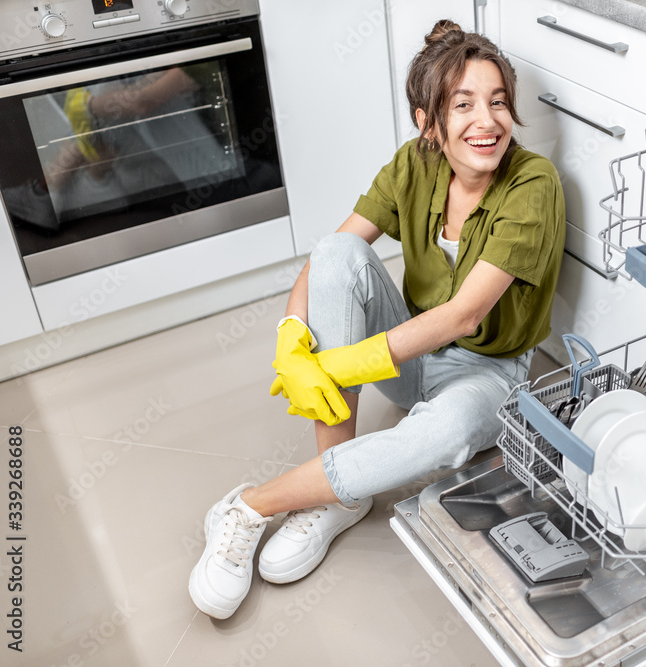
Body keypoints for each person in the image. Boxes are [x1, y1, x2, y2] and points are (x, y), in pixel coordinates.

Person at [188, 20, 566, 619]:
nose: (487, 121)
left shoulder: (533, 184)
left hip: (489, 371)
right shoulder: (413, 164)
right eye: (462, 104)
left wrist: (336, 363)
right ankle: (335, 500)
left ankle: (250, 505)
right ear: (427, 122)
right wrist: (292, 338)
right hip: (409, 354)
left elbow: (465, 316)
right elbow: (329, 256)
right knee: (337, 254)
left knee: (445, 437)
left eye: (497, 102)